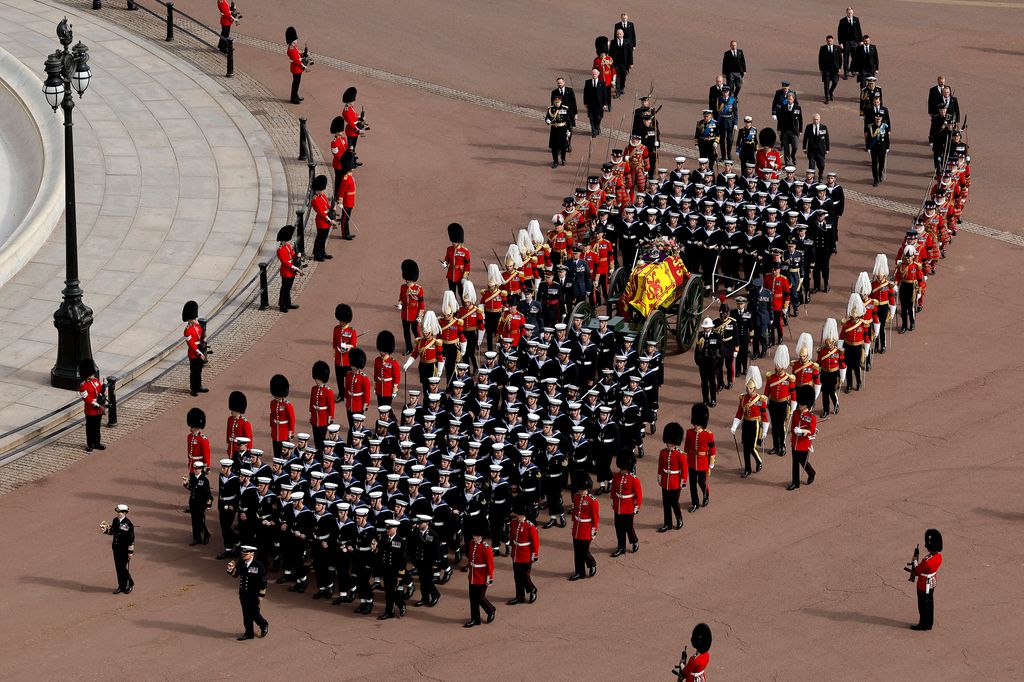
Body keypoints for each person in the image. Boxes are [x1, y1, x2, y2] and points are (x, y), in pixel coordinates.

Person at [731, 367, 768, 478]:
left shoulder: (760, 400)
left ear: (754, 388)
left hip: (755, 424)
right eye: (747, 388)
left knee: (751, 447)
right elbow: (739, 413)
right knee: (745, 448)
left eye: (750, 388)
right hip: (746, 424)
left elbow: (764, 415)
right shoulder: (743, 398)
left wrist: (765, 430)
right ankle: (748, 469)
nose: (748, 390)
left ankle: (759, 461)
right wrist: (734, 426)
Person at [227, 545, 269, 639]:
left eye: (245, 554)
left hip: (254, 594)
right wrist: (230, 569)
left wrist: (261, 594)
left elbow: (263, 581)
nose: (243, 556)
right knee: (246, 614)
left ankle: (263, 624)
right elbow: (236, 574)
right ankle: (249, 633)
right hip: (243, 593)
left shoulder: (258, 566)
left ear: (252, 554)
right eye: (242, 554)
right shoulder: (241, 562)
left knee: (254, 613)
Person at [908, 528, 943, 630]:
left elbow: (918, 571)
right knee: (929, 602)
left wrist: (915, 561)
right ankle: (929, 623)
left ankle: (923, 624)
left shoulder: (926, 560)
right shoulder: (939, 557)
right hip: (932, 582)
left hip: (923, 584)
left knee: (922, 604)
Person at [684, 404, 715, 512]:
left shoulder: (708, 435)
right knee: (692, 484)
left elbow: (712, 450)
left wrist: (711, 462)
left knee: (702, 482)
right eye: (695, 423)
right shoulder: (689, 433)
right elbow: (687, 448)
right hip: (692, 461)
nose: (695, 425)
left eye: (698, 423)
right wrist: (685, 460)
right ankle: (695, 503)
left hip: (703, 462)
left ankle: (706, 495)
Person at [609, 452, 641, 556]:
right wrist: (613, 500)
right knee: (618, 527)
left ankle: (634, 540)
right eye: (621, 468)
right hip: (618, 506)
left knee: (628, 527)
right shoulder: (617, 476)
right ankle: (621, 547)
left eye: (623, 469)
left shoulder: (633, 479)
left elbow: (638, 495)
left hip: (628, 507)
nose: (621, 471)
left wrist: (636, 507)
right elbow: (613, 489)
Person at [507, 499, 540, 600]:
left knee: (525, 576)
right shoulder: (514, 523)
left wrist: (535, 554)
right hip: (516, 553)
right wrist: (512, 548)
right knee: (517, 576)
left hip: (526, 554)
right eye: (518, 515)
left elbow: (535, 542)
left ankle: (532, 589)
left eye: (520, 515)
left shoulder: (530, 526)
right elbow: (512, 536)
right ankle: (519, 596)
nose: (519, 517)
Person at [376, 518, 408, 619]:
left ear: (395, 528)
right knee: (389, 591)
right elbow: (381, 555)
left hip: (394, 571)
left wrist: (400, 574)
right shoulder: (384, 538)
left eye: (389, 528)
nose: (387, 530)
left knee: (390, 592)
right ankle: (401, 605)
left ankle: (389, 612)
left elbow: (403, 560)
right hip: (386, 570)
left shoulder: (400, 541)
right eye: (387, 528)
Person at [656, 422, 685, 530]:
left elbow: (684, 469)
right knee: (666, 504)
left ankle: (679, 518)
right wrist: (659, 476)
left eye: (670, 442)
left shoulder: (680, 455)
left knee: (674, 503)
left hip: (675, 482)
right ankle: (667, 523)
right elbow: (660, 466)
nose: (668, 444)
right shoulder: (663, 453)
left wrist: (683, 481)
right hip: (665, 481)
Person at [100, 503, 134, 594]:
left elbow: (131, 539)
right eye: (117, 512)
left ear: (124, 513)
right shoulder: (115, 520)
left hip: (124, 549)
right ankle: (121, 586)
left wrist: (130, 552)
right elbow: (112, 532)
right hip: (116, 548)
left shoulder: (128, 524)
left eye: (119, 512)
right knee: (118, 568)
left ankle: (130, 583)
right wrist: (105, 530)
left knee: (122, 567)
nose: (118, 513)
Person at [465, 532, 495, 627]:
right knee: (473, 599)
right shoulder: (472, 544)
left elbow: (490, 565)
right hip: (473, 575)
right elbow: (470, 558)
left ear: (481, 537)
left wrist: (489, 578)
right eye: (474, 535)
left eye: (477, 536)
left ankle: (490, 610)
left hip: (482, 576)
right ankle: (475, 619)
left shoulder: (486, 548)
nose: (474, 537)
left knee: (480, 597)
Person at [817, 319, 846, 418]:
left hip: (834, 374)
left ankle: (836, 404)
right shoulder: (822, 351)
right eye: (828, 344)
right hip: (825, 373)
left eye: (830, 344)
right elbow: (819, 363)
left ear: (833, 342)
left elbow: (842, 364)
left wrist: (842, 376)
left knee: (831, 392)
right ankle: (826, 409)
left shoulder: (838, 352)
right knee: (824, 393)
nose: (829, 346)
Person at [410, 514, 441, 607]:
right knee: (422, 580)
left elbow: (436, 550)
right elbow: (414, 546)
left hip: (429, 562)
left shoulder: (433, 535)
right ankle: (425, 598)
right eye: (419, 522)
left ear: (427, 523)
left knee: (427, 580)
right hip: (420, 561)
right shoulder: (416, 532)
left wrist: (436, 562)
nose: (419, 524)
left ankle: (435, 594)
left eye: (421, 522)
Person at [788, 399, 817, 490]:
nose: (799, 405)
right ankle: (795, 483)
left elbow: (811, 431)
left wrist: (802, 431)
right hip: (795, 442)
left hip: (803, 443)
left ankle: (811, 473)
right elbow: (793, 426)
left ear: (806, 405)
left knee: (803, 461)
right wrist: (794, 431)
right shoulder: (796, 413)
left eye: (802, 404)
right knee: (795, 463)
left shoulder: (811, 417)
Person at [183, 459, 213, 545]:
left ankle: (206, 534)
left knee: (200, 521)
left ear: (201, 469)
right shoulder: (193, 478)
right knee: (194, 521)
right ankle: (196, 539)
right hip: (193, 503)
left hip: (201, 504)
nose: (195, 470)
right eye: (194, 468)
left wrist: (208, 505)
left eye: (197, 469)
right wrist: (186, 483)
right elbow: (191, 488)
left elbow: (208, 494)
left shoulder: (204, 480)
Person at [894, 246, 923, 333]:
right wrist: (895, 284)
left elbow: (920, 278)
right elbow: (898, 276)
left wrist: (919, 290)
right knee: (903, 308)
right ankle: (904, 325)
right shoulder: (901, 265)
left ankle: (912, 322)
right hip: (904, 286)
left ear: (913, 256)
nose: (908, 259)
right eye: (906, 257)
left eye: (909, 257)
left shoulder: (916, 266)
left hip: (912, 287)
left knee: (910, 307)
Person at [398, 259, 424, 355]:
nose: (407, 281)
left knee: (415, 331)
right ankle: (409, 348)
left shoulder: (418, 289)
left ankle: (420, 346)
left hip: (414, 314)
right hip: (405, 313)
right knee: (406, 332)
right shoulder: (403, 287)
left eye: (408, 279)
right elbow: (401, 297)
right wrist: (400, 303)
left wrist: (420, 316)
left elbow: (421, 304)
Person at [694, 317, 722, 407]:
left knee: (712, 383)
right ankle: (705, 400)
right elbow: (697, 349)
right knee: (704, 383)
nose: (705, 329)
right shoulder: (701, 335)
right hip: (703, 363)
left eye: (707, 327)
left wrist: (718, 363)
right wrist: (698, 361)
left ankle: (713, 399)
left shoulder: (716, 336)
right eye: (704, 327)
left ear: (711, 327)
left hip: (712, 362)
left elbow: (720, 350)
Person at [78, 358, 105, 452]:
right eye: (91, 374)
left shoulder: (96, 381)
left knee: (97, 427)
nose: (93, 375)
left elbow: (100, 391)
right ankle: (90, 444)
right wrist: (95, 403)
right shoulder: (83, 385)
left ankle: (97, 442)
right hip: (90, 410)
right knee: (90, 428)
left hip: (98, 409)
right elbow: (86, 398)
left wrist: (103, 389)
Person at [182, 300, 207, 396]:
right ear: (189, 319)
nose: (195, 318)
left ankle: (199, 386)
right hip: (194, 352)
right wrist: (198, 352)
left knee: (199, 370)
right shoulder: (187, 330)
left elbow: (201, 333)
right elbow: (191, 344)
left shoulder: (196, 326)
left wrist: (204, 338)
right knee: (194, 371)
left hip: (200, 348)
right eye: (193, 317)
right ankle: (193, 389)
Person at [332, 303, 356, 402]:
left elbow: (353, 345)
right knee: (339, 379)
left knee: (349, 380)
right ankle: (341, 395)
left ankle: (348, 394)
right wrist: (335, 355)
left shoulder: (352, 331)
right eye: (340, 320)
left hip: (347, 360)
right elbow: (334, 343)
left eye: (342, 321)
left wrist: (347, 347)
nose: (341, 322)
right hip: (338, 359)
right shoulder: (336, 329)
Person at [276, 224, 302, 312]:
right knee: (285, 289)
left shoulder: (287, 246)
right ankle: (282, 305)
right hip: (286, 272)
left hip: (291, 271)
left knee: (288, 288)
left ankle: (288, 303)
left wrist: (297, 255)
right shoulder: (280, 250)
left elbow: (292, 255)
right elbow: (286, 262)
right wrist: (295, 268)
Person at [373, 331, 401, 407]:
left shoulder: (393, 363)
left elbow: (396, 378)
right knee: (380, 408)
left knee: (386, 409)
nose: (381, 352)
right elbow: (376, 374)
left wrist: (395, 389)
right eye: (381, 350)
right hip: (379, 389)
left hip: (388, 390)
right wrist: (375, 386)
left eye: (383, 350)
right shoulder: (377, 360)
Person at [443, 222, 471, 297]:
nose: (453, 243)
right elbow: (447, 259)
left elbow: (467, 266)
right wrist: (445, 263)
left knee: (462, 294)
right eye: (452, 241)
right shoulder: (449, 249)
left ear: (458, 241)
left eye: (454, 242)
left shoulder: (465, 251)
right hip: (451, 275)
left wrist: (465, 277)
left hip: (460, 275)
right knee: (452, 294)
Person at [309, 174, 332, 261]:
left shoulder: (322, 196)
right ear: (316, 190)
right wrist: (329, 220)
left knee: (324, 237)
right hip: (322, 221)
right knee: (320, 238)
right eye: (320, 190)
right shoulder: (315, 200)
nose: (322, 191)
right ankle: (316, 254)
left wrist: (332, 208)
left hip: (326, 219)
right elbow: (321, 212)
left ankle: (322, 252)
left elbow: (327, 205)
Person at [776, 92, 802, 167]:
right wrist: (779, 129)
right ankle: (787, 163)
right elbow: (780, 119)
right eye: (788, 99)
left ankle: (793, 156)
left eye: (790, 99)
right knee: (786, 148)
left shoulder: (798, 108)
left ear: (793, 99)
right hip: (785, 131)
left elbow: (800, 119)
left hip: (794, 131)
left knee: (795, 146)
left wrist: (800, 130)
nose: (789, 100)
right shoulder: (783, 107)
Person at [837, 7, 863, 79]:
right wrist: (840, 43)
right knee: (845, 58)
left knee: (854, 57)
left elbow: (859, 30)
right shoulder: (842, 21)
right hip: (846, 42)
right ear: (846, 13)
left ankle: (853, 70)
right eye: (849, 13)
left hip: (855, 42)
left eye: (851, 13)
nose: (850, 14)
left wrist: (861, 41)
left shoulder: (856, 19)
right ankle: (846, 73)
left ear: (853, 13)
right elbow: (839, 33)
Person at [546, 95, 570, 168]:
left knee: (563, 146)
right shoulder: (551, 109)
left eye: (558, 102)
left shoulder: (565, 109)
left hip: (562, 129)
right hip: (554, 129)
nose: (557, 104)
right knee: (554, 147)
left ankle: (563, 159)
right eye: (555, 102)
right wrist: (547, 120)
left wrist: (568, 130)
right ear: (553, 102)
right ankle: (555, 161)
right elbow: (548, 117)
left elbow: (568, 121)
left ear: (561, 102)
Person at [802, 113, 830, 178]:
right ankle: (812, 179)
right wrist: (804, 148)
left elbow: (827, 139)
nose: (815, 121)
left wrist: (827, 149)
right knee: (811, 167)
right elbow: (805, 138)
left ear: (819, 120)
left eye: (817, 119)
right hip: (811, 150)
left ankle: (820, 174)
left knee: (821, 165)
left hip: (820, 150)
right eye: (814, 119)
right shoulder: (808, 127)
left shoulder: (824, 127)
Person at [866, 112, 889, 186]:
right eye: (876, 118)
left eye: (879, 119)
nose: (878, 120)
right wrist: (868, 147)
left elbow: (886, 138)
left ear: (881, 119)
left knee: (881, 164)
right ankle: (876, 179)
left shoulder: (885, 126)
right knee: (874, 164)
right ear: (875, 119)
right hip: (874, 148)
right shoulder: (870, 127)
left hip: (882, 147)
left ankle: (880, 174)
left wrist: (887, 147)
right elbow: (868, 138)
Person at [584, 68, 607, 137]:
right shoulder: (588, 82)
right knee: (591, 117)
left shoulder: (602, 82)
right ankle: (594, 130)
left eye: (595, 74)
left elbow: (604, 94)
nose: (594, 75)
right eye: (593, 74)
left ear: (598, 74)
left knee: (598, 117)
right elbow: (585, 93)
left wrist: (605, 104)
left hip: (599, 104)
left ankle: (597, 127)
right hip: (590, 104)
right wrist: (585, 103)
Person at [610, 28, 633, 97]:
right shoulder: (613, 42)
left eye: (620, 34)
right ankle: (618, 90)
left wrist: (631, 63)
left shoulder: (628, 42)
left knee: (623, 76)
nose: (619, 35)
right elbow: (610, 53)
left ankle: (622, 87)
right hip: (615, 63)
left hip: (624, 63)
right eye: (617, 34)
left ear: (623, 34)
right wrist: (610, 61)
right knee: (617, 76)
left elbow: (630, 54)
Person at [285, 26, 305, 104]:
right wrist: (303, 66)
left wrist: (303, 54)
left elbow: (298, 55)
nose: (296, 41)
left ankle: (296, 95)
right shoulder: (291, 49)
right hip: (296, 69)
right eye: (295, 40)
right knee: (295, 84)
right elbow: (296, 60)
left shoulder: (294, 47)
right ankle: (293, 98)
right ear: (292, 41)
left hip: (298, 68)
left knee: (297, 84)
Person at [818, 35, 841, 102]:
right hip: (826, 69)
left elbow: (840, 59)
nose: (829, 42)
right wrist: (821, 69)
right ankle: (827, 97)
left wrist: (839, 67)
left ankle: (830, 92)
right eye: (828, 41)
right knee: (826, 84)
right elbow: (820, 59)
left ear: (833, 40)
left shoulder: (837, 48)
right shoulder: (823, 48)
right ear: (826, 41)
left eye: (830, 41)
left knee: (835, 82)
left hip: (835, 69)